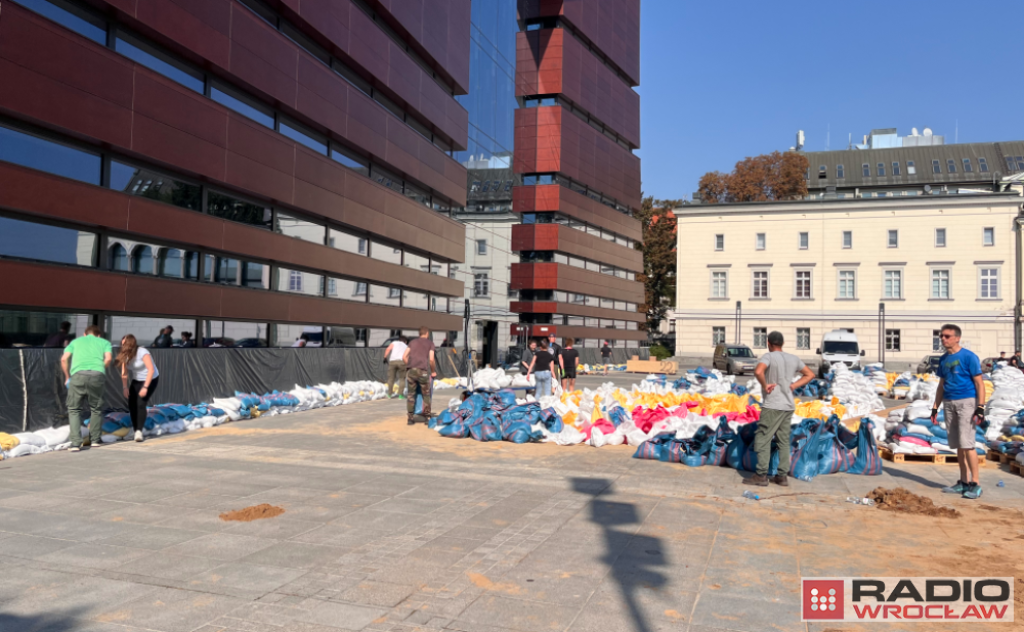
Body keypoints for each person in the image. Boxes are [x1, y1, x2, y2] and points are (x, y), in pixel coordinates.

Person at [745, 331, 814, 487]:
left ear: (768, 343)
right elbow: (810, 374)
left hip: (773, 405)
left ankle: (761, 475)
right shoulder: (793, 358)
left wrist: (765, 385)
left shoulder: (768, 357)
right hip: (788, 405)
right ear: (782, 343)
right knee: (783, 441)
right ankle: (782, 476)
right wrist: (794, 386)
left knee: (763, 438)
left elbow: (758, 371)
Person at [931, 324, 986, 500]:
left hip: (966, 402)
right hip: (948, 402)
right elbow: (941, 386)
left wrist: (980, 407)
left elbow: (979, 383)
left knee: (968, 444)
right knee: (958, 445)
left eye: (947, 336)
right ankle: (963, 482)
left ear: (957, 337)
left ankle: (975, 484)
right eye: (942, 336)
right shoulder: (944, 359)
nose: (943, 339)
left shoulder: (969, 357)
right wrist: (935, 407)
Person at [60, 325, 113, 451]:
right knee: (96, 408)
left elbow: (64, 359)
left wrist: (67, 377)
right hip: (97, 376)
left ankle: (75, 444)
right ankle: (95, 440)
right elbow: (109, 358)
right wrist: (100, 369)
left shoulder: (75, 342)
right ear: (98, 335)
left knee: (74, 409)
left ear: (84, 334)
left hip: (78, 375)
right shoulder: (104, 342)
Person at [117, 334, 159, 443]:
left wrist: (145, 387)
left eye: (125, 344)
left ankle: (139, 431)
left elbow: (151, 370)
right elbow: (124, 373)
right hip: (137, 379)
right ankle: (135, 429)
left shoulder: (142, 352)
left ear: (131, 344)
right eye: (122, 345)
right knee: (132, 403)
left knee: (140, 403)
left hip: (151, 379)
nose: (123, 347)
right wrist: (125, 387)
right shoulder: (125, 355)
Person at [403, 327, 436, 425]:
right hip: (422, 371)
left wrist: (409, 366)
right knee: (426, 394)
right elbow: (431, 359)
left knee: (411, 395)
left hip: (411, 371)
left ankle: (410, 418)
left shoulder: (412, 342)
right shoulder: (430, 343)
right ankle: (427, 418)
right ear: (427, 333)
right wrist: (433, 371)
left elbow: (404, 356)